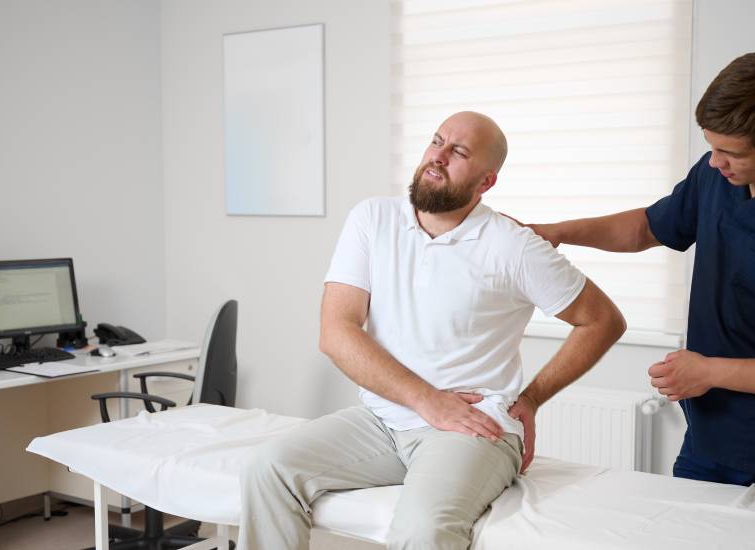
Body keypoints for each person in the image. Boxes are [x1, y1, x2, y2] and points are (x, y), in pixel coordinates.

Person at [522, 52, 755, 549]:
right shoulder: (718, 174)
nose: (715, 161)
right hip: (707, 439)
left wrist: (707, 371)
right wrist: (557, 232)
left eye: (731, 152)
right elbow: (649, 226)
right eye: (711, 147)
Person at [236, 111, 626, 550]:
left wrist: (531, 399)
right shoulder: (372, 220)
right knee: (267, 470)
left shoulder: (513, 246)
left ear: (486, 182)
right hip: (383, 419)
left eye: (458, 152)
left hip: (472, 428)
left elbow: (603, 320)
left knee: (422, 529)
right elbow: (336, 331)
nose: (438, 157)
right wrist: (426, 400)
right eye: (437, 141)